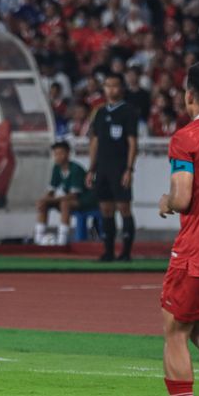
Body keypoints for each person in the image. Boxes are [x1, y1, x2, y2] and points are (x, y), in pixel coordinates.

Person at [154, 62, 199, 396]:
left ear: (190, 95)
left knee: (175, 328)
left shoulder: (187, 137)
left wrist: (167, 201)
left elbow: (184, 197)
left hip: (198, 249)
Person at [85, 72, 138, 261]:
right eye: (107, 85)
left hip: (120, 166)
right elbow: (95, 142)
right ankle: (108, 250)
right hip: (102, 167)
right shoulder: (100, 112)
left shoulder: (128, 111)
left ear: (121, 88)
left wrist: (129, 169)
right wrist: (91, 168)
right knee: (105, 208)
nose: (111, 89)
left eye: (114, 85)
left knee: (124, 207)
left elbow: (132, 142)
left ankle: (126, 252)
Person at [35, 141, 96, 245]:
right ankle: (38, 239)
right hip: (72, 200)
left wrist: (50, 199)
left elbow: (74, 195)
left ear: (68, 154)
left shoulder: (75, 169)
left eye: (60, 153)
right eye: (55, 154)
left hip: (87, 200)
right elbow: (51, 190)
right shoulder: (56, 168)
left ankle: (62, 241)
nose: (57, 157)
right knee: (43, 203)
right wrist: (44, 200)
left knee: (65, 204)